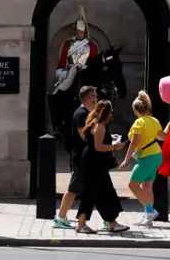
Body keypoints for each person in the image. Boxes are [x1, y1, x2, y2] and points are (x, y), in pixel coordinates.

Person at [75, 100, 129, 234]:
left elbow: (96, 139)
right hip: (94, 163)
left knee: (102, 192)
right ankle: (83, 224)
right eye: (110, 111)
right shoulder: (99, 126)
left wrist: (110, 137)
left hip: (93, 162)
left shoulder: (94, 123)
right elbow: (98, 147)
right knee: (96, 192)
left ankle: (111, 223)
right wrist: (115, 146)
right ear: (107, 112)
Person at [119, 90, 166, 226]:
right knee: (147, 187)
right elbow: (164, 137)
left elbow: (133, 143)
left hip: (147, 158)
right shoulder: (154, 120)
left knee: (132, 185)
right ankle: (148, 217)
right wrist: (169, 126)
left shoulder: (139, 123)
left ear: (135, 110)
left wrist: (126, 160)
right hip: (157, 156)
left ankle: (150, 211)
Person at [54, 85, 98, 229]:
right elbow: (83, 134)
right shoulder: (80, 113)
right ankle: (60, 217)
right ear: (88, 97)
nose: (96, 99)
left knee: (94, 187)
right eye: (94, 96)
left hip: (86, 156)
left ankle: (108, 220)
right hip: (80, 157)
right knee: (74, 188)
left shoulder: (88, 113)